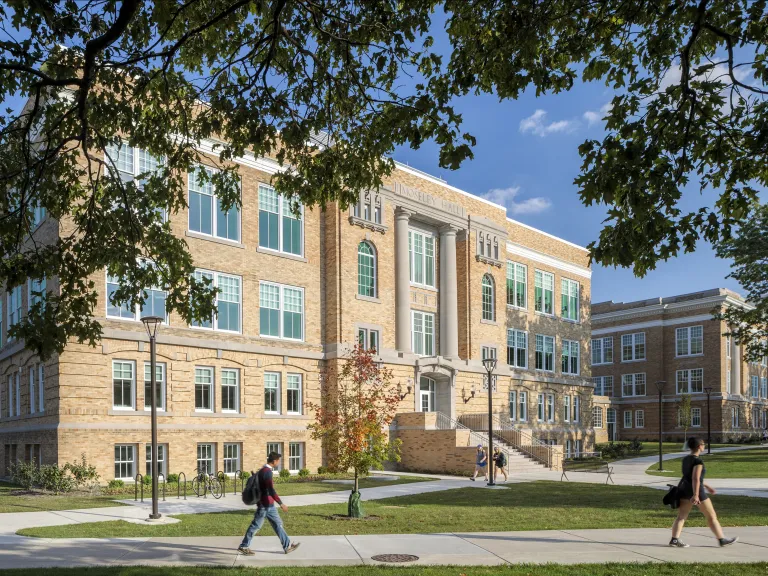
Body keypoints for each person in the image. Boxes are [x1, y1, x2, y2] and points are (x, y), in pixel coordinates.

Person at [669, 437, 738, 548]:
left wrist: (707, 486)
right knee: (711, 517)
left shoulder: (686, 459)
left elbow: (690, 477)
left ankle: (674, 540)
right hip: (697, 493)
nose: (704, 446)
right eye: (703, 444)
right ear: (699, 446)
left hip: (684, 491)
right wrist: (696, 495)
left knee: (681, 517)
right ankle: (722, 539)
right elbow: (695, 479)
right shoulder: (698, 461)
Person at [238, 452, 301, 556]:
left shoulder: (262, 470)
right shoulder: (267, 472)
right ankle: (244, 546)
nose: (279, 462)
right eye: (278, 461)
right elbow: (270, 490)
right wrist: (281, 503)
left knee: (278, 524)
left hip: (268, 505)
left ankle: (287, 546)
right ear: (275, 461)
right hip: (265, 505)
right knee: (256, 526)